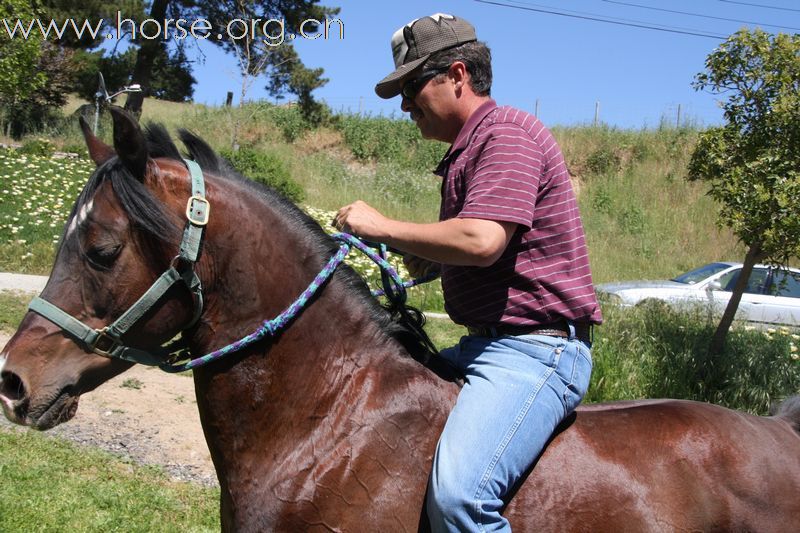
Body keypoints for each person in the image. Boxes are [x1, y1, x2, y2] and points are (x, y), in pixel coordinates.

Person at [334, 13, 602, 532]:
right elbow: (492, 247)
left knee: (461, 500)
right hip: (486, 347)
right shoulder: (469, 150)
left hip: (535, 352)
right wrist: (432, 262)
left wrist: (383, 225)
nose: (406, 105)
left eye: (412, 87)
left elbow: (481, 241)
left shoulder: (508, 134)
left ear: (457, 75)